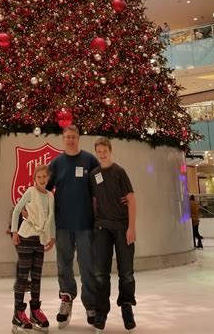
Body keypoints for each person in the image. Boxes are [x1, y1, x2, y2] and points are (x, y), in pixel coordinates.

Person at [47, 125, 99, 327]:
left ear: (79, 138)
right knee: (64, 265)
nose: (70, 140)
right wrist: (28, 207)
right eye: (67, 137)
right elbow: (45, 189)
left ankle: (91, 305)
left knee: (88, 266)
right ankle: (66, 300)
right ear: (63, 139)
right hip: (62, 226)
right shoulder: (57, 163)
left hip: (86, 224)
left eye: (74, 137)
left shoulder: (89, 160)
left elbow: (99, 188)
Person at [90, 137, 136, 333]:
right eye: (98, 151)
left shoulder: (120, 172)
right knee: (101, 274)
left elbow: (132, 200)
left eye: (104, 150)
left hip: (122, 227)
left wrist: (131, 227)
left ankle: (126, 306)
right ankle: (101, 312)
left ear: (110, 150)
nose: (102, 154)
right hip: (102, 229)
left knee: (126, 273)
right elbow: (94, 201)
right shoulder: (94, 175)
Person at [11, 164, 55, 332]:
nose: (42, 180)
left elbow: (52, 218)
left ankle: (35, 311)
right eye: (39, 177)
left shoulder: (50, 196)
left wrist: (52, 237)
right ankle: (17, 312)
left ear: (48, 178)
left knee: (36, 277)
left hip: (40, 240)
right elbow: (17, 211)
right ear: (34, 179)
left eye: (44, 177)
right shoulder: (31, 192)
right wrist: (15, 231)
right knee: (23, 277)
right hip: (26, 237)